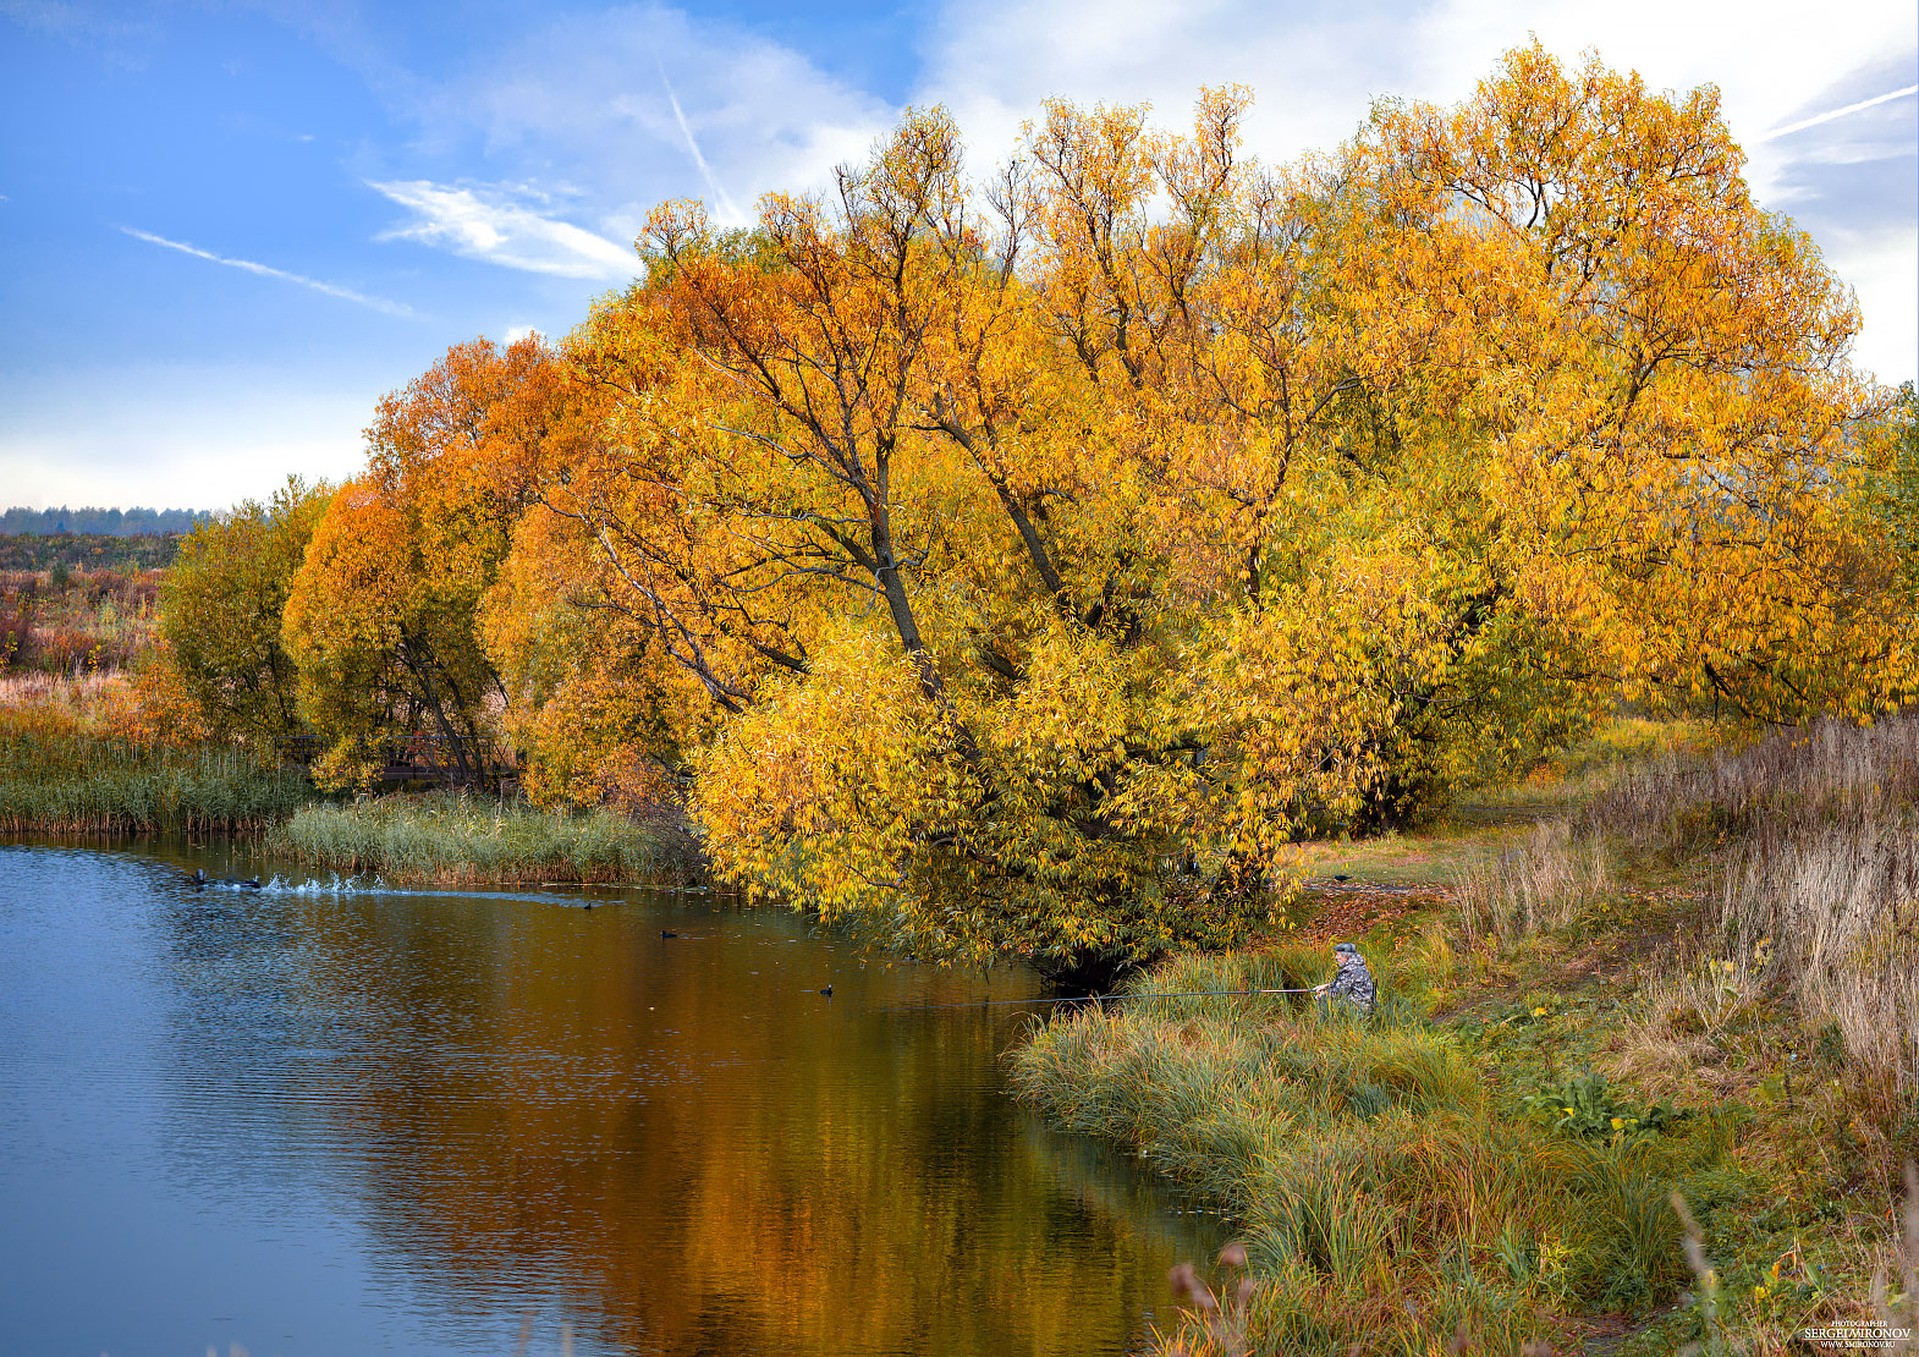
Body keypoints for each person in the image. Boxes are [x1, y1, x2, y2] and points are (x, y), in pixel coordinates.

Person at [1314, 941, 1377, 1016]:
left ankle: (1325, 1023)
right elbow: (1344, 982)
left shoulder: (1349, 970)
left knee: (1324, 999)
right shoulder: (1358, 965)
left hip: (1359, 1008)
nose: (1336, 958)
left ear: (1345, 956)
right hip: (1366, 1003)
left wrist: (1321, 995)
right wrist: (1326, 985)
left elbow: (1338, 992)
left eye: (1338, 955)